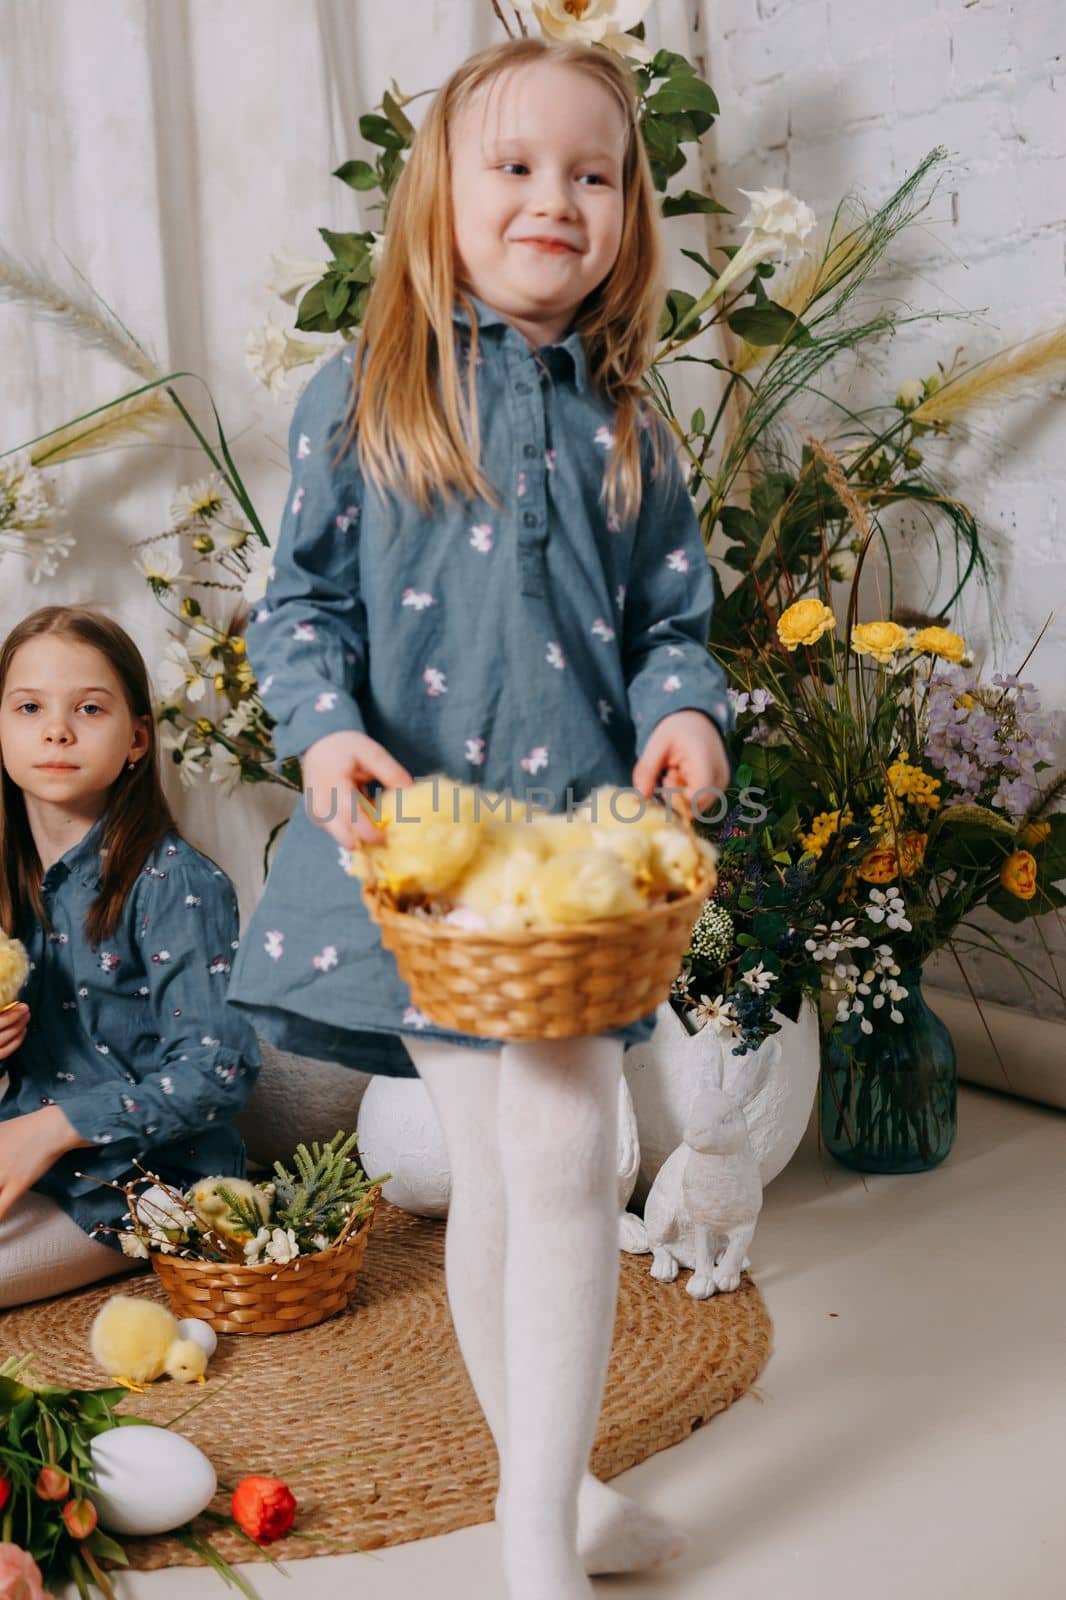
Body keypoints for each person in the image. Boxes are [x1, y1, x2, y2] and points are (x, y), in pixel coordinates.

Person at [228, 35, 733, 1600]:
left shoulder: (630, 422)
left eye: (591, 175)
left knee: (576, 1140)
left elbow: (671, 618)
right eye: (512, 168)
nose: (552, 201)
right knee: (500, 1163)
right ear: (438, 199)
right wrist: (321, 742)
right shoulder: (367, 390)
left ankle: (539, 1515)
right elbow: (297, 608)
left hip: (570, 862)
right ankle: (545, 1516)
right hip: (422, 861)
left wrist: (684, 711)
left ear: (627, 216)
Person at [0, 606, 260, 1309]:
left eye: (89, 707)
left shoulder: (175, 883)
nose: (57, 729)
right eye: (29, 706)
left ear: (137, 738)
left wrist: (52, 1129)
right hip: (21, 1150)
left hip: (136, 1182)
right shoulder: (6, 879)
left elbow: (221, 1068)